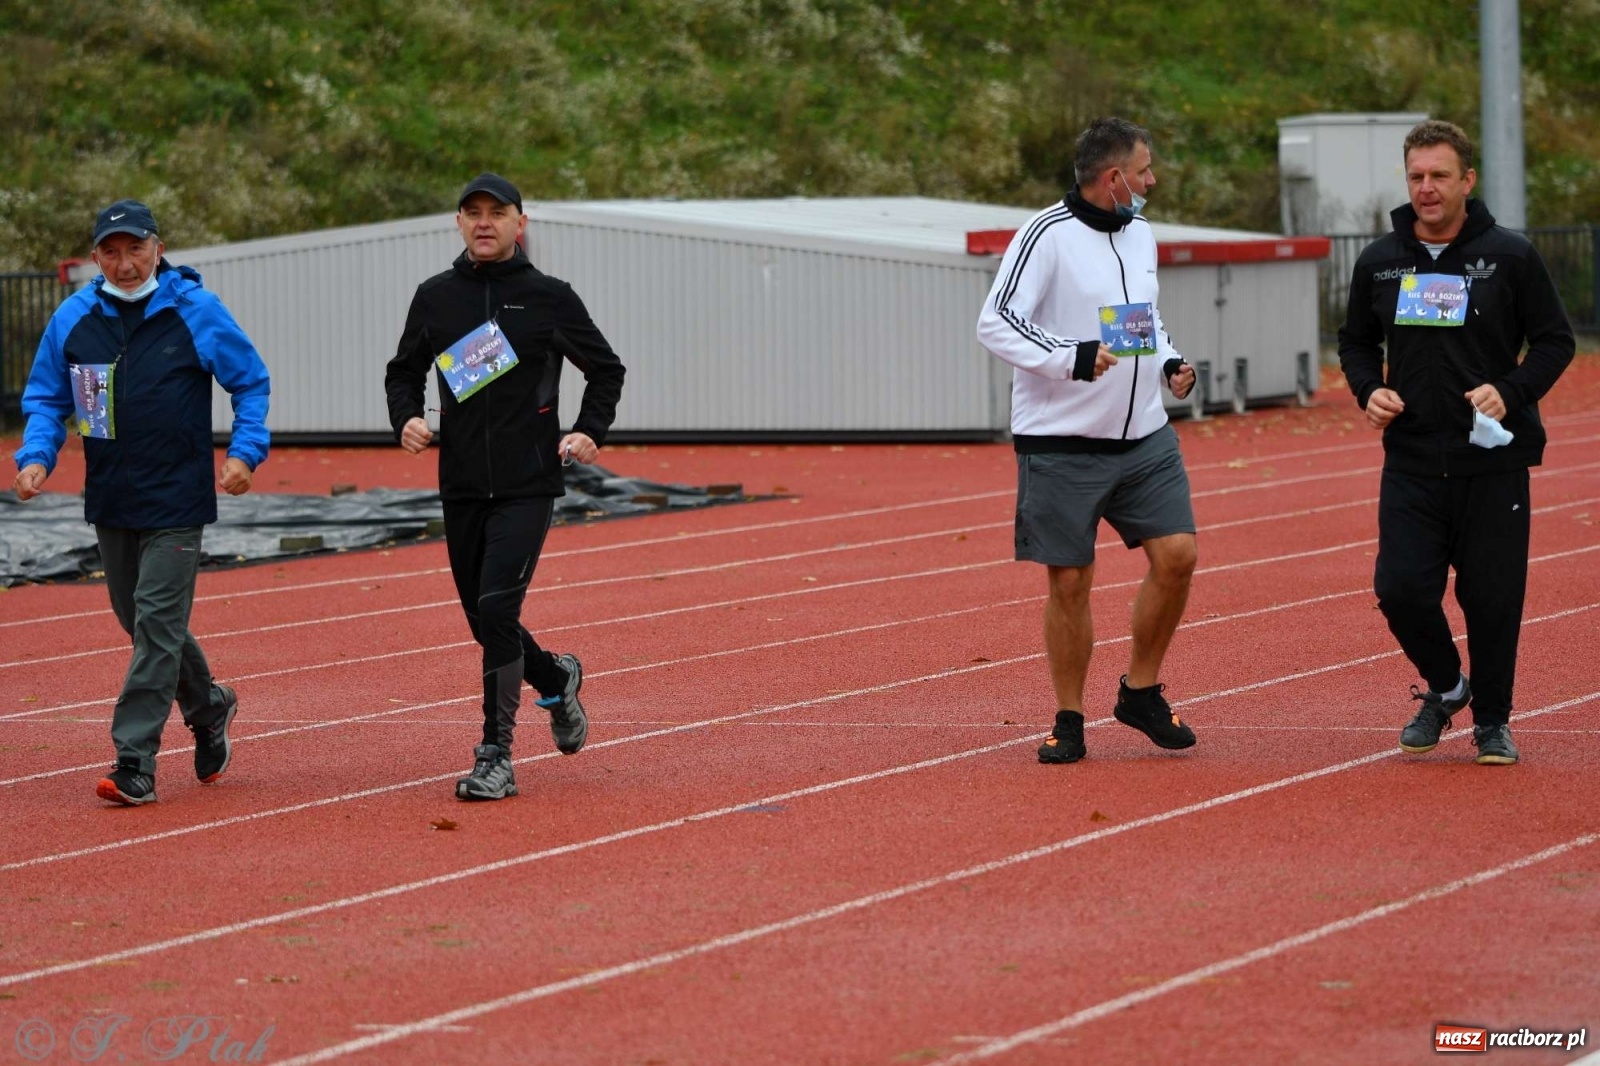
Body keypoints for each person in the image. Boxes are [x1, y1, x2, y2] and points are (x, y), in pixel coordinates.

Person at [12, 199, 271, 805]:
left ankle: (135, 761)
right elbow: (48, 398)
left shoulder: (195, 310)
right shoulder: (74, 317)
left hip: (178, 498)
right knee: (140, 622)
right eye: (111, 252)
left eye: (135, 249)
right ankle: (209, 706)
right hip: (111, 496)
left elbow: (250, 381)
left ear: (158, 247)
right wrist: (36, 456)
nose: (125, 263)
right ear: (95, 256)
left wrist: (245, 452)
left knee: (156, 626)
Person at [1338, 120, 1574, 766]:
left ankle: (1492, 722)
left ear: (1467, 180)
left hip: (1493, 463)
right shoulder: (1381, 263)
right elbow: (1356, 341)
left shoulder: (1511, 256)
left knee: (1493, 599)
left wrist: (1512, 390)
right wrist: (1368, 390)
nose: (1426, 189)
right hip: (1412, 461)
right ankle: (1448, 687)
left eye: (1440, 175)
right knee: (1400, 588)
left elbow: (1556, 341)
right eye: (1416, 176)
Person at [385, 173, 626, 801]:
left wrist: (588, 430)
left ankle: (496, 755)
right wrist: (406, 416)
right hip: (461, 483)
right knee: (483, 617)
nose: (484, 222)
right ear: (458, 223)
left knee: (497, 610)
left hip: (528, 483)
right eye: (473, 212)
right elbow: (402, 370)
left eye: (498, 212)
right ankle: (556, 677)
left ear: (521, 223)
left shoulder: (548, 297)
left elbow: (606, 369)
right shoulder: (435, 297)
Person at [976, 117, 1200, 765]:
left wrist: (1169, 363)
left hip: (1144, 438)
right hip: (1063, 441)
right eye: (1146, 169)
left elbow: (1142, 320)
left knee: (1178, 555)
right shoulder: (1045, 235)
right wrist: (1068, 357)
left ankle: (1141, 691)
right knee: (1071, 583)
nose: (1153, 180)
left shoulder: (1141, 234)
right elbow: (997, 322)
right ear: (1114, 178)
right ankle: (1068, 719)